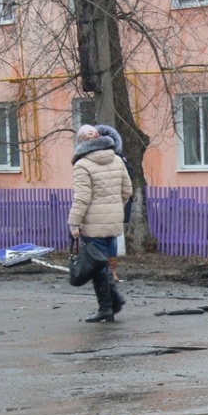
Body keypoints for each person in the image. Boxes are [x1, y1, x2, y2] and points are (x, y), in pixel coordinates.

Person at [68, 124, 133, 323]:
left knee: (97, 265)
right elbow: (127, 190)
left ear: (81, 143)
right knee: (105, 263)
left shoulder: (82, 165)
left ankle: (107, 306)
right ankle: (112, 302)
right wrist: (115, 207)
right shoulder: (116, 159)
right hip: (113, 222)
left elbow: (82, 198)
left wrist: (74, 223)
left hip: (93, 223)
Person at [94, 124, 134, 283]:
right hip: (114, 203)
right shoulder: (118, 158)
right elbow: (128, 181)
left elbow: (127, 181)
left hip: (102, 205)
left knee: (100, 238)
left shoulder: (96, 160)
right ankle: (110, 272)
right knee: (110, 238)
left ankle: (105, 272)